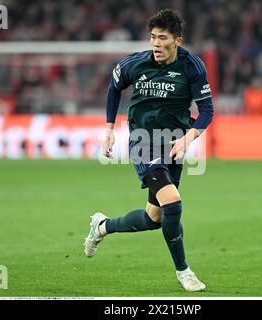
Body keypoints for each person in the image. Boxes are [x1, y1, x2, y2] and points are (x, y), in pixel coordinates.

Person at [84, 9, 214, 292]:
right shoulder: (136, 63)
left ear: (177, 41)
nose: (156, 43)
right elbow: (114, 88)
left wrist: (188, 138)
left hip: (174, 143)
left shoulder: (192, 67)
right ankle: (184, 272)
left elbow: (207, 110)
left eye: (162, 38)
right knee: (173, 203)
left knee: (154, 217)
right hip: (143, 141)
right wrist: (108, 130)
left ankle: (102, 226)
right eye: (153, 37)